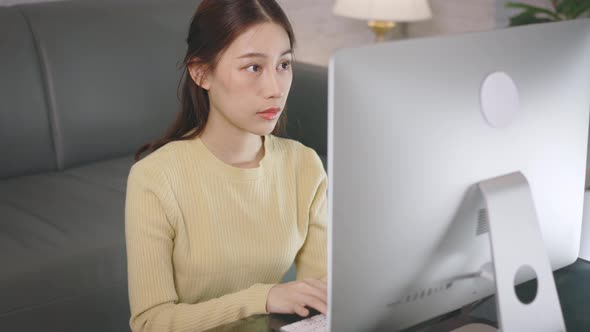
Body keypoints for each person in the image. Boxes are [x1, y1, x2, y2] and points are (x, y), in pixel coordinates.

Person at [124, 1, 328, 331]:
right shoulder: (155, 178)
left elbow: (322, 297)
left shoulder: (304, 166)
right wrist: (261, 298)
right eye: (253, 68)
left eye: (284, 64)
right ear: (201, 72)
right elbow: (151, 322)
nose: (275, 89)